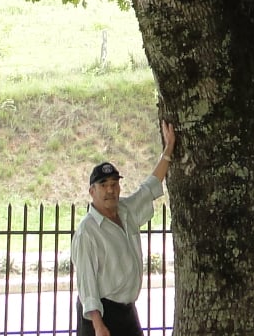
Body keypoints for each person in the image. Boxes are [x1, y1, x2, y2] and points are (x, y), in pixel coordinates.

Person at [72, 122, 176, 336]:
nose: (110, 190)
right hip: (100, 315)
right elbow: (86, 282)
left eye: (114, 183)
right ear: (92, 191)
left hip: (127, 311)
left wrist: (168, 150)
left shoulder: (126, 210)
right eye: (103, 185)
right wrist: (98, 325)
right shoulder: (87, 232)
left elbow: (149, 188)